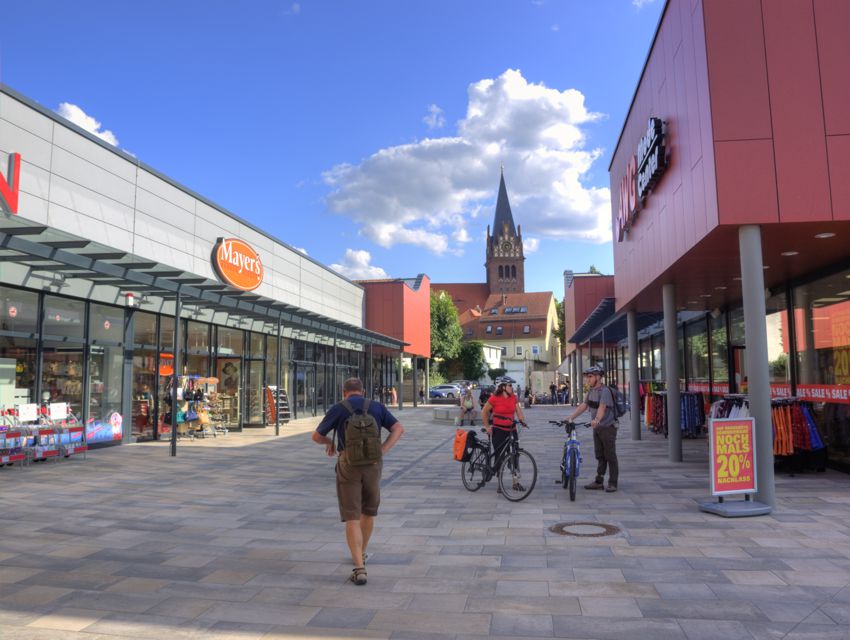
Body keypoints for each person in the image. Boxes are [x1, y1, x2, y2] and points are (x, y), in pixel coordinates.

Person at [312, 378, 404, 585]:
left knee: (352, 516)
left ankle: (359, 569)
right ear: (363, 391)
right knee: (368, 512)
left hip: (348, 464)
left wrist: (330, 442)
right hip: (373, 464)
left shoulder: (339, 408)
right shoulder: (377, 406)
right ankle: (361, 553)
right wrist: (382, 450)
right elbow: (398, 428)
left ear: (344, 392)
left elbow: (316, 436)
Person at [565, 366, 618, 492]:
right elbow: (584, 405)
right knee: (600, 455)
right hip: (598, 428)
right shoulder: (591, 391)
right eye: (587, 377)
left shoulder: (604, 391)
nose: (587, 380)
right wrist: (571, 417)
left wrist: (597, 420)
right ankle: (599, 481)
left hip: (608, 427)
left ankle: (613, 482)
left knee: (610, 455)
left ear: (598, 377)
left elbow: (602, 408)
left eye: (590, 377)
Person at [481, 381, 528, 493]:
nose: (512, 387)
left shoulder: (513, 397)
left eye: (512, 385)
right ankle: (500, 483)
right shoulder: (494, 398)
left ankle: (515, 483)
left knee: (515, 456)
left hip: (512, 430)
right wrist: (487, 427)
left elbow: (518, 411)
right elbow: (484, 411)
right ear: (503, 387)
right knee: (500, 457)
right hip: (498, 431)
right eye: (510, 385)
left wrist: (522, 420)